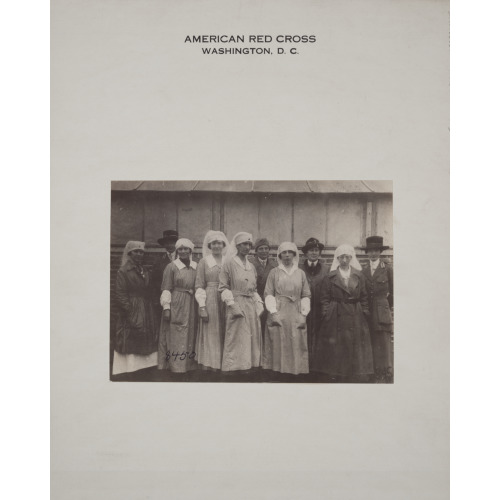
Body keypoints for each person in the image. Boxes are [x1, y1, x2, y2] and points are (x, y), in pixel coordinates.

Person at [313, 244, 374, 382]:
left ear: (351, 258)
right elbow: (324, 298)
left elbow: (364, 297)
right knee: (336, 345)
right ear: (337, 259)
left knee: (355, 344)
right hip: (335, 313)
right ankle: (336, 373)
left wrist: (364, 312)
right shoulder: (330, 277)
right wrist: (326, 313)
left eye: (347, 257)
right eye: (341, 257)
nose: (344, 260)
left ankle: (353, 374)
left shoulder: (359, 276)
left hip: (355, 313)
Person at [263, 242, 311, 376]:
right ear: (280, 255)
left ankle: (295, 371)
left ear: (295, 255)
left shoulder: (300, 273)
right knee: (279, 340)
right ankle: (278, 372)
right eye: (284, 252)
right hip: (279, 310)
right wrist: (273, 312)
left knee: (296, 340)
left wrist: (304, 313)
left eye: (290, 252)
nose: (287, 255)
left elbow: (306, 294)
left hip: (296, 310)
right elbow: (268, 293)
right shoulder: (274, 272)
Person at [218, 232, 264, 373]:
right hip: (236, 303)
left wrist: (258, 302)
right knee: (237, 337)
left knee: (250, 337)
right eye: (244, 244)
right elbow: (223, 287)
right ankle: (234, 368)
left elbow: (253, 288)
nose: (247, 247)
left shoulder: (251, 266)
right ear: (237, 246)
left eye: (249, 244)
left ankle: (249, 366)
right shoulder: (229, 263)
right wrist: (232, 305)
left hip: (250, 305)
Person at [113, 241, 159, 377]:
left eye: (141, 252)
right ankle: (130, 370)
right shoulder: (123, 271)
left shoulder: (143, 270)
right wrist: (130, 312)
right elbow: (120, 294)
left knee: (146, 338)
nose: (139, 254)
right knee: (131, 337)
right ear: (130, 253)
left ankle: (143, 370)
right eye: (136, 252)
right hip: (132, 309)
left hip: (146, 308)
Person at [158, 238, 198, 374]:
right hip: (177, 303)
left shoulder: (195, 266)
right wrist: (167, 308)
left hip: (192, 304)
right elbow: (166, 288)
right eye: (180, 249)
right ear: (177, 251)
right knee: (176, 334)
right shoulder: (171, 267)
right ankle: (176, 367)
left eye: (186, 249)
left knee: (190, 334)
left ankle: (188, 366)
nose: (183, 251)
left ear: (190, 250)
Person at [194, 230, 229, 373]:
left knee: (226, 329)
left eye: (219, 243)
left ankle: (225, 364)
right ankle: (211, 364)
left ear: (223, 245)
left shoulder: (228, 261)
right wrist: (202, 306)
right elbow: (199, 284)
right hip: (210, 298)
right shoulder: (204, 262)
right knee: (212, 330)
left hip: (226, 297)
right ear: (209, 245)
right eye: (214, 243)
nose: (217, 246)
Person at [361, 236, 394, 383]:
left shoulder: (387, 269)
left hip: (382, 310)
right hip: (368, 311)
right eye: (370, 251)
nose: (373, 254)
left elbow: (393, 293)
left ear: (380, 252)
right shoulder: (364, 271)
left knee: (384, 342)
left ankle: (386, 372)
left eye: (376, 251)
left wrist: (385, 306)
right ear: (367, 253)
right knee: (371, 342)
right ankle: (373, 372)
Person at [299, 237, 329, 363]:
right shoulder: (299, 268)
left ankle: (316, 365)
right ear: (306, 253)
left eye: (316, 250)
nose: (314, 253)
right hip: (302, 308)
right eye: (311, 250)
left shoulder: (326, 269)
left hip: (319, 308)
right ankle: (302, 364)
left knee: (318, 335)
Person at [248, 237, 278, 340]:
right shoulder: (250, 264)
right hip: (255, 300)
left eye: (266, 248)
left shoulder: (274, 265)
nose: (264, 251)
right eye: (261, 249)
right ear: (256, 251)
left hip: (269, 301)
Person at [151, 229, 179, 312]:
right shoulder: (159, 261)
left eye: (172, 242)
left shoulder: (182, 258)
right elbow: (154, 282)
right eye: (167, 243)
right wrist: (156, 299)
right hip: (163, 297)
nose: (169, 245)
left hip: (179, 296)